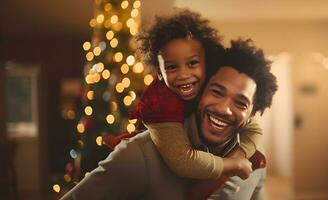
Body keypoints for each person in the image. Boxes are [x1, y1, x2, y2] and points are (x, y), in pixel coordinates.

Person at [61, 39, 278, 199]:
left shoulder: (256, 161)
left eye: (240, 103)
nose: (223, 109)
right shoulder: (140, 153)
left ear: (251, 114)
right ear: (200, 90)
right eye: (217, 92)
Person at [104, 9, 263, 180]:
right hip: (152, 155)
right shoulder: (161, 103)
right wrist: (233, 164)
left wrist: (239, 155)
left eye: (193, 63)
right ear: (159, 72)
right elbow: (183, 161)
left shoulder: (208, 83)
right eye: (171, 67)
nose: (183, 75)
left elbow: (254, 128)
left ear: (206, 62)